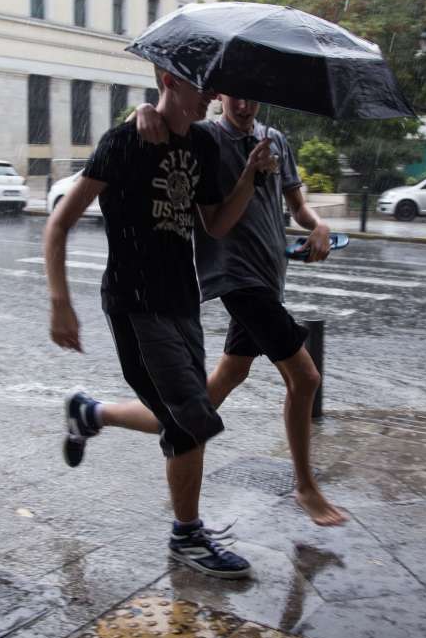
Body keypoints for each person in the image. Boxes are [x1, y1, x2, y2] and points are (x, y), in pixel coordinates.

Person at [64, 95, 347, 527]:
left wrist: (318, 226)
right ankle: (305, 487)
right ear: (220, 97)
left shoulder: (277, 142)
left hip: (271, 278)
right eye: (236, 96)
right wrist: (140, 109)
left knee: (213, 390)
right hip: (237, 280)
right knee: (305, 377)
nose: (246, 106)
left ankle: (92, 413)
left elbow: (297, 205)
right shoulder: (208, 137)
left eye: (254, 98)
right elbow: (157, 125)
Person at [44, 68, 273, 580]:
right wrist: (60, 299)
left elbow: (214, 223)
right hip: (135, 304)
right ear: (169, 79)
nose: (215, 95)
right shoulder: (125, 140)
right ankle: (187, 536)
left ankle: (89, 414)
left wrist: (250, 177)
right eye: (205, 86)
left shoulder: (203, 149)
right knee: (190, 417)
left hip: (183, 302)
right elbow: (60, 221)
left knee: (183, 412)